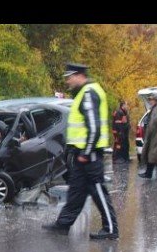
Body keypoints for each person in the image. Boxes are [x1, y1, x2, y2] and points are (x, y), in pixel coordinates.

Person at [42, 63, 119, 240]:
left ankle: (111, 229)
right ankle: (63, 225)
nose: (68, 81)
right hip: (81, 153)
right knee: (76, 191)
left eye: (70, 77)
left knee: (98, 190)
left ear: (79, 75)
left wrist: (87, 151)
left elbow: (94, 126)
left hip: (89, 154)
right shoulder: (83, 93)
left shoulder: (89, 93)